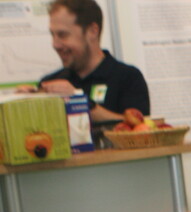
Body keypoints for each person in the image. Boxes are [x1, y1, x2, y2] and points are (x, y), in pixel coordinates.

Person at [19, 0, 149, 123]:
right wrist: (23, 105)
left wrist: (78, 101)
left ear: (92, 31)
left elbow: (140, 130)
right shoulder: (50, 82)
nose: (55, 44)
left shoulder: (128, 78)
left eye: (63, 35)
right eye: (52, 35)